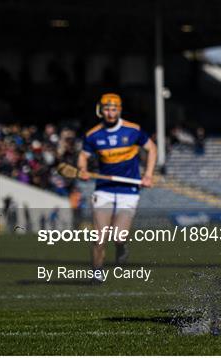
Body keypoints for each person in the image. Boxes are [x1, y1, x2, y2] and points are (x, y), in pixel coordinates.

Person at [77, 93, 157, 283]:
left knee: (119, 236)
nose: (110, 113)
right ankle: (97, 272)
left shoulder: (133, 130)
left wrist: (148, 174)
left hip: (128, 191)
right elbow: (83, 157)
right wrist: (82, 170)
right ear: (100, 110)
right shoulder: (93, 135)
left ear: (119, 110)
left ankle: (121, 246)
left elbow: (151, 149)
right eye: (107, 109)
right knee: (99, 236)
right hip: (104, 189)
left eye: (114, 109)